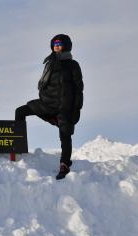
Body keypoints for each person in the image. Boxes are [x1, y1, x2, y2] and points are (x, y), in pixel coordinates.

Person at [15, 34, 84, 180]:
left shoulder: (73, 65)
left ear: (66, 46)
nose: (57, 46)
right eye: (55, 44)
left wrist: (76, 109)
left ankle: (64, 165)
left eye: (60, 44)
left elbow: (79, 89)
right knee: (20, 111)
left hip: (65, 106)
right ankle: (18, 148)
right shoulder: (50, 63)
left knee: (65, 134)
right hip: (47, 103)